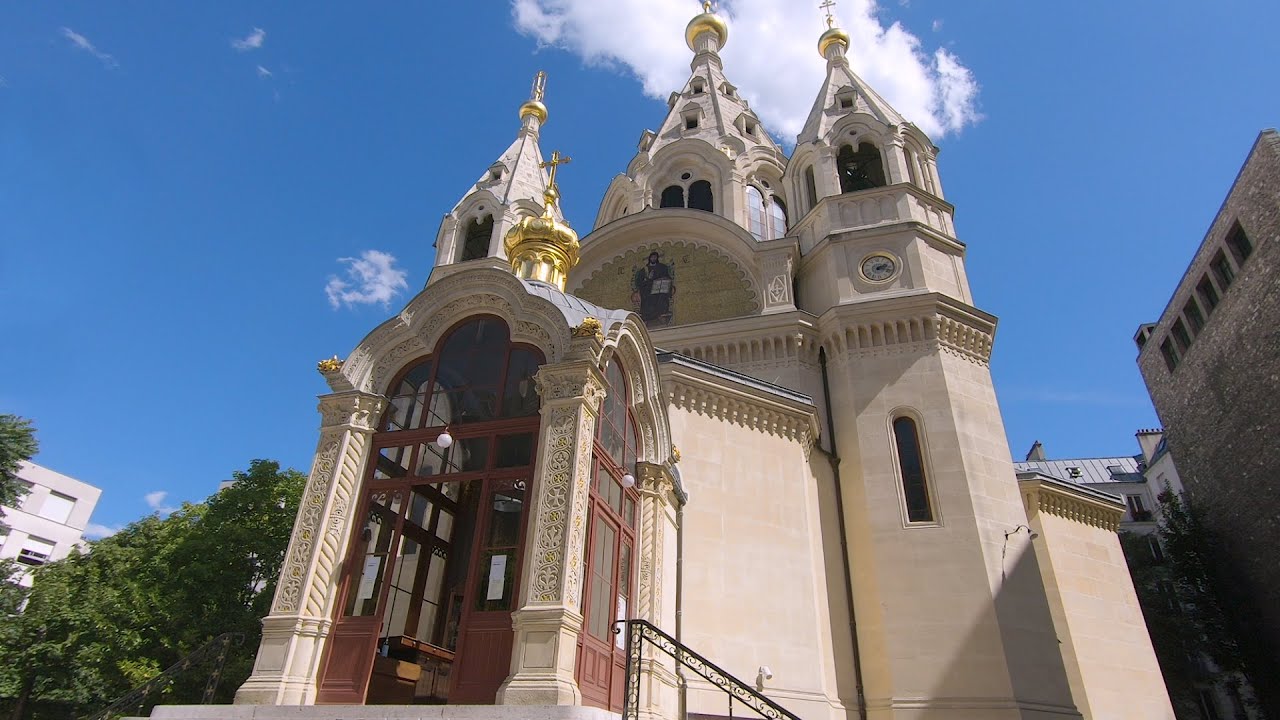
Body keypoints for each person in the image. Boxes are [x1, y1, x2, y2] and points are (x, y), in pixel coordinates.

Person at [631, 251, 675, 326]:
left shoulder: (662, 267)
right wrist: (647, 279)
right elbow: (639, 282)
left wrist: (661, 279)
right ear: (650, 258)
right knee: (647, 296)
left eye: (655, 257)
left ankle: (661, 313)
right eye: (652, 257)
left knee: (662, 294)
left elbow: (667, 277)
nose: (653, 258)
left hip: (659, 287)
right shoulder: (644, 270)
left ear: (657, 258)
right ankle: (646, 317)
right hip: (647, 288)